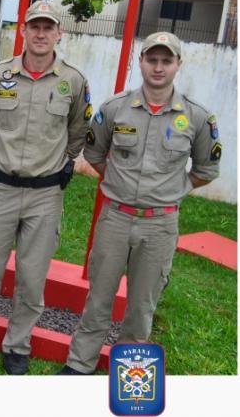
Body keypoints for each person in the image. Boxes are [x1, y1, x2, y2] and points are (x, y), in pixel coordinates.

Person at [59, 32, 220, 375]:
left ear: (178, 64)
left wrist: (173, 190)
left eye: (166, 61)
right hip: (115, 218)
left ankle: (128, 372)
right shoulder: (114, 108)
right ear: (141, 61)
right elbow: (95, 153)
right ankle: (79, 364)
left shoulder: (197, 117)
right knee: (99, 298)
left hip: (160, 225)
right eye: (152, 60)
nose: (158, 68)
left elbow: (206, 169)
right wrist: (118, 183)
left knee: (142, 306)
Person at [0, 0, 92, 375]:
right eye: (35, 27)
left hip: (45, 195)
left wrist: (60, 162)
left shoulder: (73, 81)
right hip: (0, 189)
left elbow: (78, 131)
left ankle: (17, 345)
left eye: (48, 27)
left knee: (31, 278)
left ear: (59, 33)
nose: (41, 34)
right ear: (23, 31)